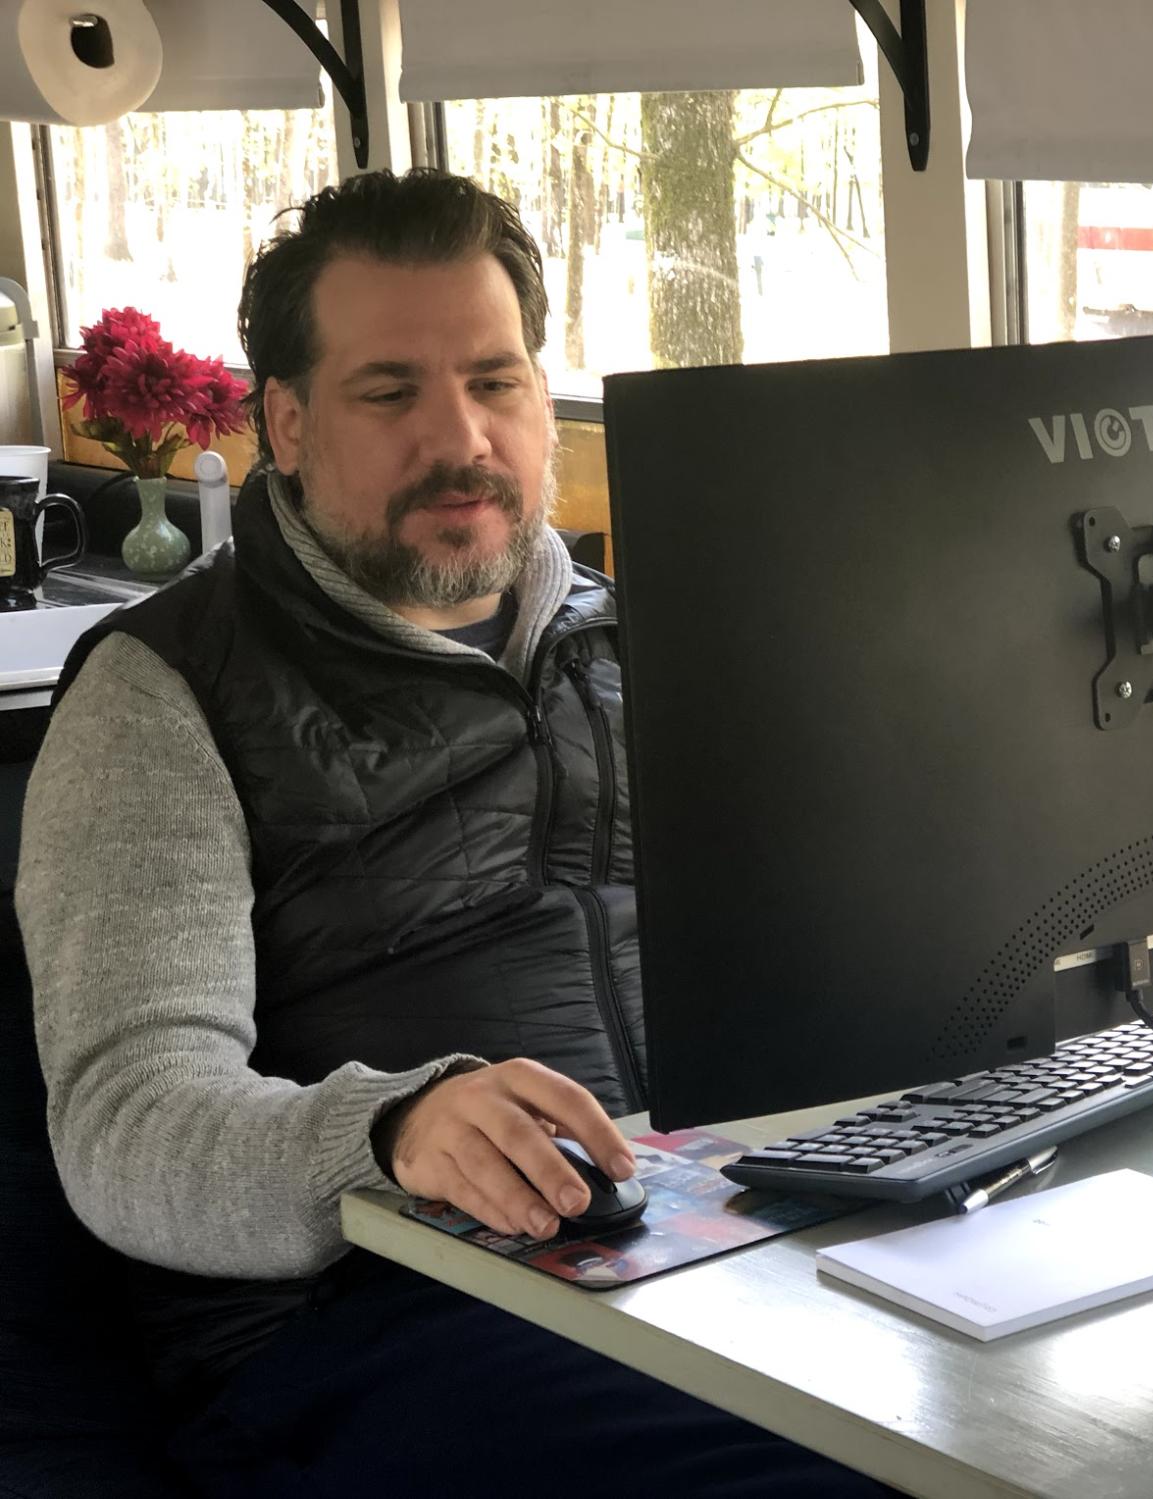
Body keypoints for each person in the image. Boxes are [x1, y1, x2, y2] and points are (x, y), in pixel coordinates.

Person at [16, 169, 887, 1496]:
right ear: (289, 425)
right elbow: (127, 1127)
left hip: (722, 1243)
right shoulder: (162, 693)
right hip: (369, 1325)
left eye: (496, 380)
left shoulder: (648, 640)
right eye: (391, 393)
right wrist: (387, 1131)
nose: (464, 438)